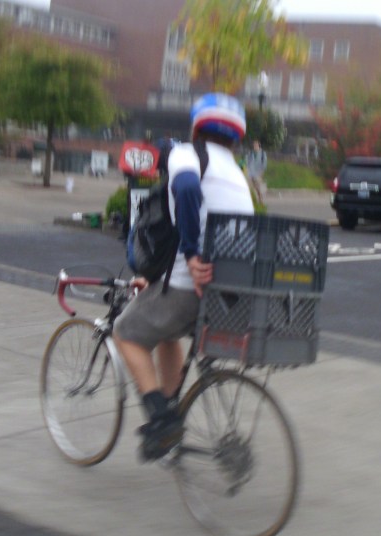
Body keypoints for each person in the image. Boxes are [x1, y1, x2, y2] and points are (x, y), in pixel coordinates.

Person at [113, 93, 255, 462]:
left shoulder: (186, 154)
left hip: (193, 283)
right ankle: (172, 406)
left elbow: (187, 189)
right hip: (229, 289)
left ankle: (161, 422)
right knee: (165, 333)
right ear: (235, 138)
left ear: (195, 127)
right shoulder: (236, 173)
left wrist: (192, 255)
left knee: (126, 332)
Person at [245, 139, 267, 205]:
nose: (255, 146)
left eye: (256, 144)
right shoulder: (250, 153)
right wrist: (246, 168)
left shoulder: (263, 153)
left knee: (258, 188)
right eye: (254, 145)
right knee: (249, 188)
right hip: (250, 173)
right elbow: (247, 161)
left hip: (258, 173)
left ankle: (261, 200)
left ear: (259, 145)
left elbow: (264, 164)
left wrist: (262, 172)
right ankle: (250, 201)